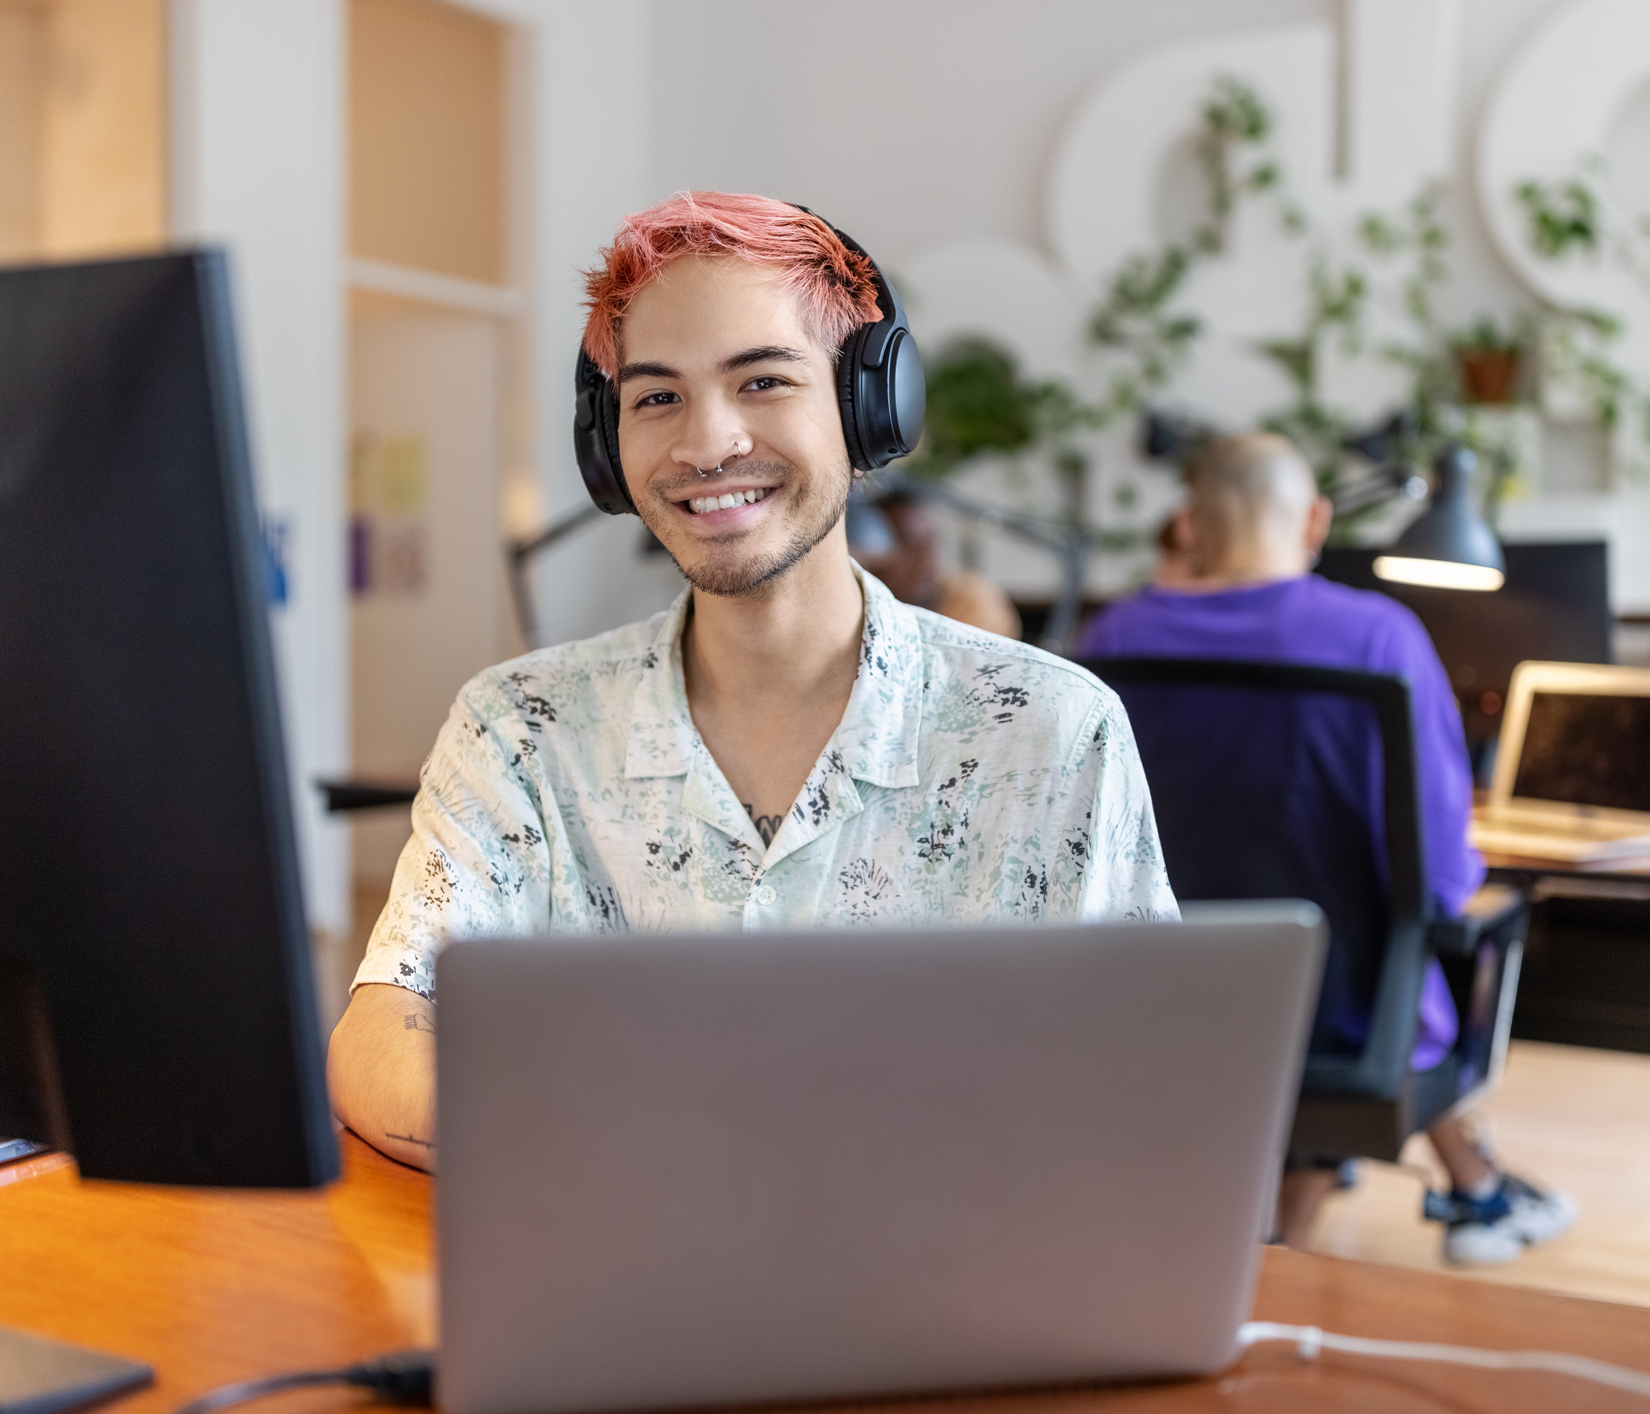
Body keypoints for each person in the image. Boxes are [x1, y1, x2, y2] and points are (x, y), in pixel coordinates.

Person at [329, 193, 1177, 1172]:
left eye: (763, 381)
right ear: (608, 447)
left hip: (947, 1299)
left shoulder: (1049, 730)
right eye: (656, 397)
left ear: (867, 411)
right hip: (614, 1291)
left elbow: (1137, 1091)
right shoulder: (521, 727)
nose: (705, 443)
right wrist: (631, 1139)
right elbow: (381, 1034)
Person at [1077, 431, 1574, 1267]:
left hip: (1158, 1004)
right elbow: (1446, 878)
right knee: (1406, 949)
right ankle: (1449, 1197)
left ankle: (1435, 1195)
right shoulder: (1378, 637)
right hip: (1341, 1014)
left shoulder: (1113, 640)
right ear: (1316, 519)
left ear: (1191, 525)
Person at [854, 488, 1022, 638]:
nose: (927, 558)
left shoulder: (973, 601)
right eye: (909, 545)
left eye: (931, 542)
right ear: (870, 548)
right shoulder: (855, 600)